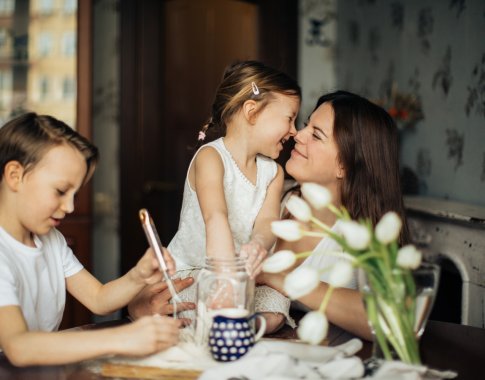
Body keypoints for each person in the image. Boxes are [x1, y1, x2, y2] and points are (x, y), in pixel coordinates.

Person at [0, 113, 182, 366]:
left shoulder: (51, 240)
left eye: (75, 194)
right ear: (15, 175)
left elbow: (98, 299)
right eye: (61, 191)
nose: (70, 206)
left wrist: (138, 275)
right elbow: (19, 347)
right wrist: (122, 338)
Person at [257, 90, 410, 340]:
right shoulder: (270, 195)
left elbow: (394, 320)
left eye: (316, 134)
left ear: (345, 165)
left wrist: (287, 279)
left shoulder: (364, 235)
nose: (298, 134)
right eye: (307, 125)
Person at [165, 60, 301, 333]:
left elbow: (266, 223)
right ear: (252, 112)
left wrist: (259, 245)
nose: (294, 131)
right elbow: (216, 217)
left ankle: (242, 326)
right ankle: (227, 322)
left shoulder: (273, 172)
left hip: (242, 278)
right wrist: (225, 281)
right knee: (205, 304)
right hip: (195, 273)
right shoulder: (211, 158)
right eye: (290, 118)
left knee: (276, 305)